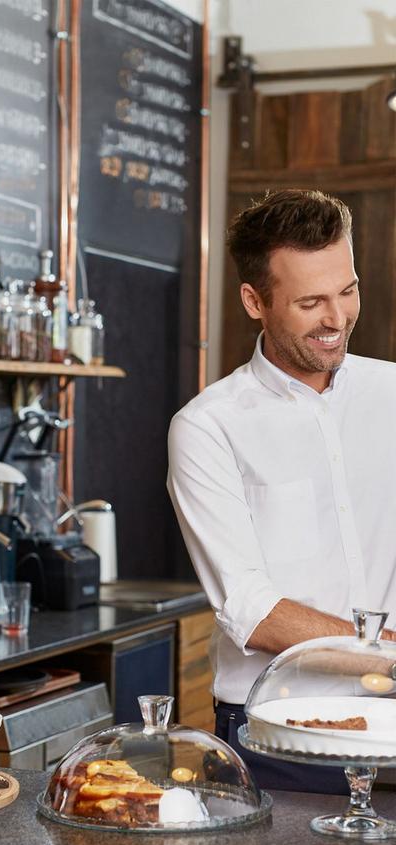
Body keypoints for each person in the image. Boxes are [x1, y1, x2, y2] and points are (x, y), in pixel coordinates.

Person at [167, 189, 396, 793]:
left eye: (347, 291)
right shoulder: (208, 427)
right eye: (310, 302)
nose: (337, 318)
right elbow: (252, 608)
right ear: (254, 301)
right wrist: (390, 654)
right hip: (278, 728)